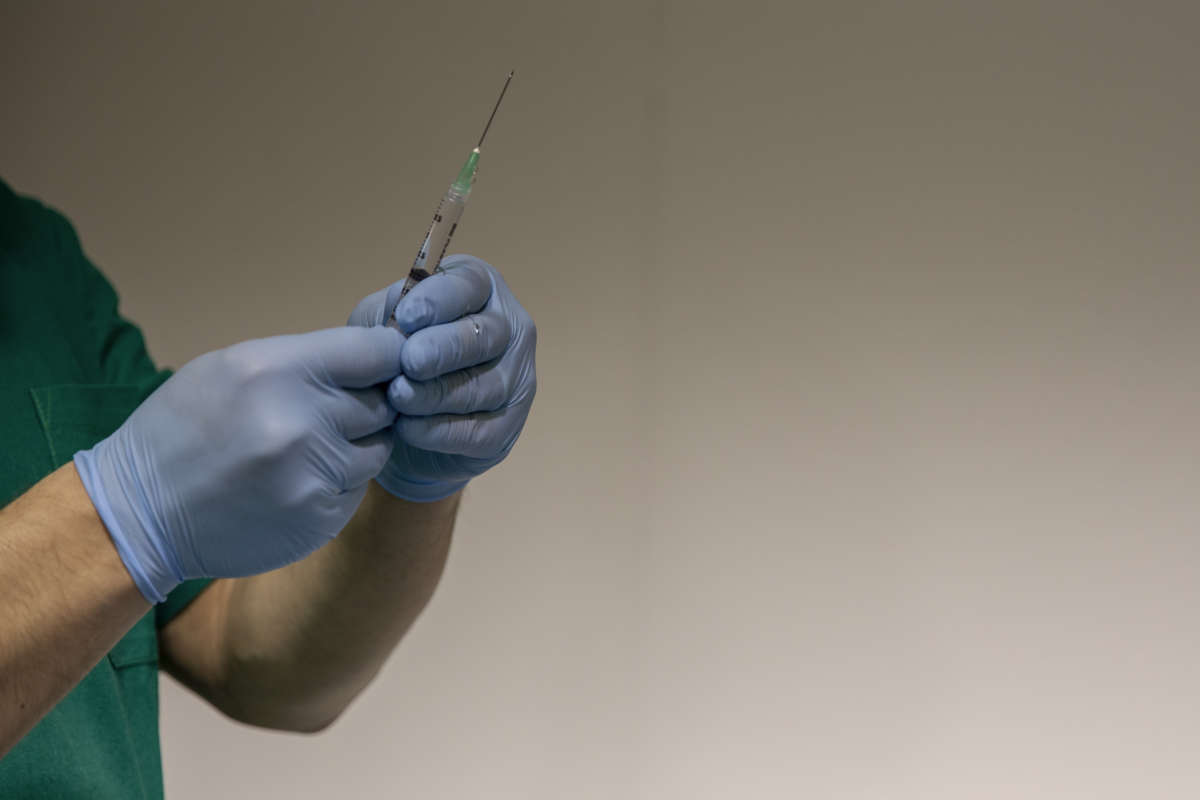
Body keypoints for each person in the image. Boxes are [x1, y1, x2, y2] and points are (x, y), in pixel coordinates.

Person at [0, 177, 537, 797]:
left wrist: (412, 478)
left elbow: (254, 659)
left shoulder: (33, 256)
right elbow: (132, 525)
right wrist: (121, 516)